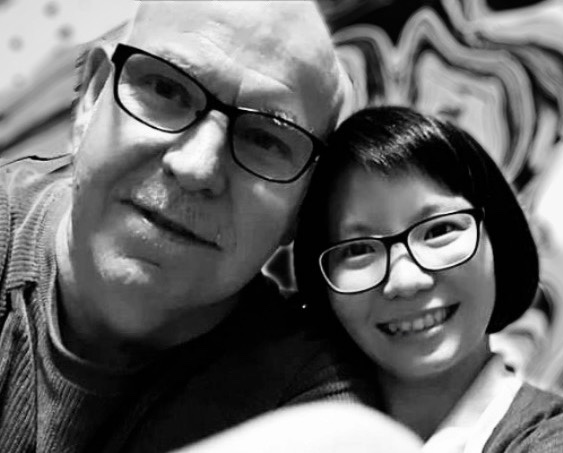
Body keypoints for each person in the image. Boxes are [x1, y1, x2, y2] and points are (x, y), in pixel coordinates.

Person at [0, 2, 375, 452]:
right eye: (166, 88)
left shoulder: (312, 404)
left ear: (303, 204)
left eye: (266, 138)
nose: (197, 168)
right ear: (94, 96)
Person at [293, 106, 563, 452]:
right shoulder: (292, 428)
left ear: (497, 240)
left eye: (439, 231)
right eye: (358, 250)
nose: (405, 280)